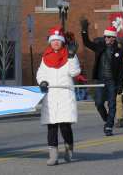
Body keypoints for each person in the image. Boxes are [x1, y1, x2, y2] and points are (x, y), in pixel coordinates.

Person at [36, 27, 80, 166]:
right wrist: (42, 82)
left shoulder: (69, 54)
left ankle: (68, 148)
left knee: (65, 126)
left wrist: (72, 57)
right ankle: (53, 155)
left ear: (62, 42)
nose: (56, 43)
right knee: (52, 127)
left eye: (58, 41)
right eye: (53, 41)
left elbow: (75, 72)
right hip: (50, 96)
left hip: (65, 95)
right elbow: (40, 73)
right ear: (50, 42)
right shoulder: (45, 57)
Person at [80, 19, 123, 136]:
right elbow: (87, 43)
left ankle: (109, 126)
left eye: (110, 37)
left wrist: (120, 85)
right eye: (106, 37)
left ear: (114, 38)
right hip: (100, 80)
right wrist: (84, 31)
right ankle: (107, 119)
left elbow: (121, 70)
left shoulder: (119, 52)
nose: (108, 39)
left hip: (112, 81)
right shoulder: (99, 47)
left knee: (112, 104)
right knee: (99, 103)